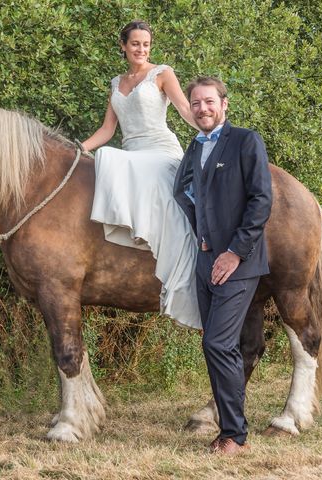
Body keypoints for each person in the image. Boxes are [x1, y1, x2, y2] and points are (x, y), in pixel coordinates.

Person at [173, 76, 272, 454]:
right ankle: (229, 430)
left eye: (209, 102)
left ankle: (235, 435)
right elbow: (183, 189)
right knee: (214, 346)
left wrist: (234, 251)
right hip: (205, 261)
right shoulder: (194, 147)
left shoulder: (246, 141)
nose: (202, 109)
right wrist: (201, 231)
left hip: (239, 263)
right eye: (196, 103)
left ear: (224, 104)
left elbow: (261, 200)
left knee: (219, 343)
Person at [82, 20, 201, 330]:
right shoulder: (115, 83)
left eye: (146, 44)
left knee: (121, 166)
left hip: (160, 150)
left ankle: (183, 264)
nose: (141, 49)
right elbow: (108, 130)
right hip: (133, 153)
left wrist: (211, 128)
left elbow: (185, 110)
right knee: (105, 158)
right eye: (135, 43)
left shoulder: (162, 73)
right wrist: (77, 148)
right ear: (123, 45)